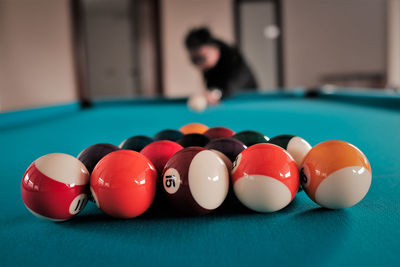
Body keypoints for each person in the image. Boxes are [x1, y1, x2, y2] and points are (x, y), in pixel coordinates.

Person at [185, 27, 258, 104]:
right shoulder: (208, 67)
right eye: (195, 60)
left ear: (214, 49)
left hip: (247, 102)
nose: (199, 65)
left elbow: (233, 86)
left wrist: (215, 94)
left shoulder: (233, 60)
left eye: (202, 58)